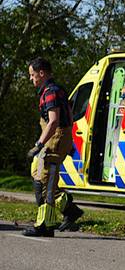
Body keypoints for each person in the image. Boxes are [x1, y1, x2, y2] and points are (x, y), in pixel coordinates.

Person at [24, 57, 84, 237]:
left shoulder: (50, 92)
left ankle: (45, 225)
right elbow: (70, 117)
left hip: (53, 140)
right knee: (37, 174)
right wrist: (68, 142)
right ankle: (69, 209)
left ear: (41, 73)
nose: (31, 79)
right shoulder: (58, 90)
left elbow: (53, 122)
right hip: (58, 139)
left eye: (32, 75)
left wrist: (38, 145)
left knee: (45, 183)